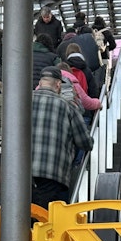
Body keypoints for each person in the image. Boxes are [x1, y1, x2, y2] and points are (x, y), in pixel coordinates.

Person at [30, 67, 94, 207]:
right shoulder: (68, 107)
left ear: (40, 83)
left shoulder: (22, 102)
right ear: (58, 85)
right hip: (53, 172)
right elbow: (85, 142)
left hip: (21, 169)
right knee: (46, 216)